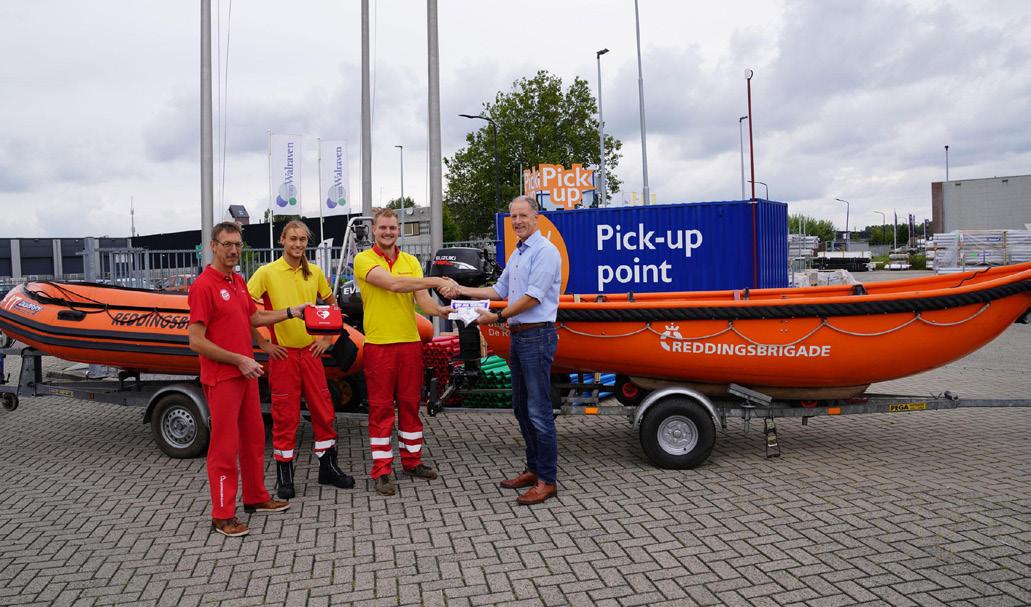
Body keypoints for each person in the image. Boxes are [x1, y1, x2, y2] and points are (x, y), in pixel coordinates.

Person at [188, 222, 308, 537]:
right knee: (224, 448)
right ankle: (222, 515)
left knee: (254, 439)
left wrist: (291, 312)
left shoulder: (238, 281)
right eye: (227, 244)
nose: (233, 250)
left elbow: (254, 318)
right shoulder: (204, 286)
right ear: (213, 246)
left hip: (246, 375)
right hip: (223, 377)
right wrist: (238, 359)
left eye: (238, 245)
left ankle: (255, 497)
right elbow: (196, 341)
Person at [457, 196, 562, 505]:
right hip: (519, 337)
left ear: (536, 218)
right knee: (520, 407)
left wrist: (498, 316)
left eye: (523, 216)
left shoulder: (545, 252)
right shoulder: (518, 253)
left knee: (539, 411)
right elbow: (498, 290)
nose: (517, 221)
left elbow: (533, 297)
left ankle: (547, 480)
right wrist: (460, 289)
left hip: (537, 336)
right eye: (513, 216)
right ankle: (533, 468)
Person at [353, 207, 457, 496]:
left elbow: (422, 301)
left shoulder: (411, 261)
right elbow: (395, 285)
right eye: (383, 227)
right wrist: (437, 281)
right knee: (381, 409)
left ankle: (412, 462)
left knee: (411, 405)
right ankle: (382, 470)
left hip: (410, 343)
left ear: (398, 230)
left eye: (392, 228)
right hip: (379, 345)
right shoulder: (363, 259)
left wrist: (445, 311)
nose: (388, 232)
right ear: (374, 230)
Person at [247, 220, 354, 501]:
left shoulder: (314, 272)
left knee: (324, 411)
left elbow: (332, 305)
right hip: (283, 355)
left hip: (310, 353)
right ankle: (285, 476)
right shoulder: (266, 272)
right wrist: (263, 343)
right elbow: (245, 310)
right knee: (285, 416)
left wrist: (326, 339)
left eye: (302, 239)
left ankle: (328, 468)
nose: (297, 244)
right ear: (282, 240)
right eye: (292, 238)